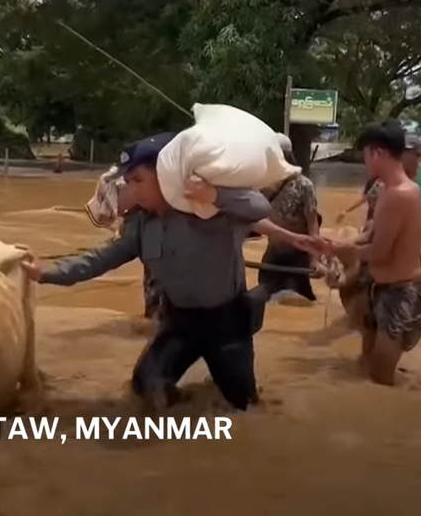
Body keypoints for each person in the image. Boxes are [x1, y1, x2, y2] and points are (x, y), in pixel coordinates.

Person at [20, 133, 323, 411]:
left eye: (138, 180)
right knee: (145, 389)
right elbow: (99, 259)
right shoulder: (140, 225)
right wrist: (46, 273)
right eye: (129, 181)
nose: (132, 189)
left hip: (227, 324)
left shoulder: (209, 207)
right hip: (180, 323)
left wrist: (214, 195)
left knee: (243, 407)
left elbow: (257, 207)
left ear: (165, 174)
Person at [329, 121, 421, 386]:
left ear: (378, 154)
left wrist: (345, 252)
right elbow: (371, 234)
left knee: (381, 378)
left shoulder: (401, 194)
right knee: (367, 371)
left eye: (365, 154)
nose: (364, 160)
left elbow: (380, 252)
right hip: (379, 290)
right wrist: (330, 245)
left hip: (403, 294)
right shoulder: (386, 190)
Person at [258, 134, 321, 301]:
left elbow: (313, 224)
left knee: (297, 302)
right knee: (264, 301)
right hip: (273, 254)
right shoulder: (263, 184)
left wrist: (315, 259)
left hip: (297, 257)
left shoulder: (304, 185)